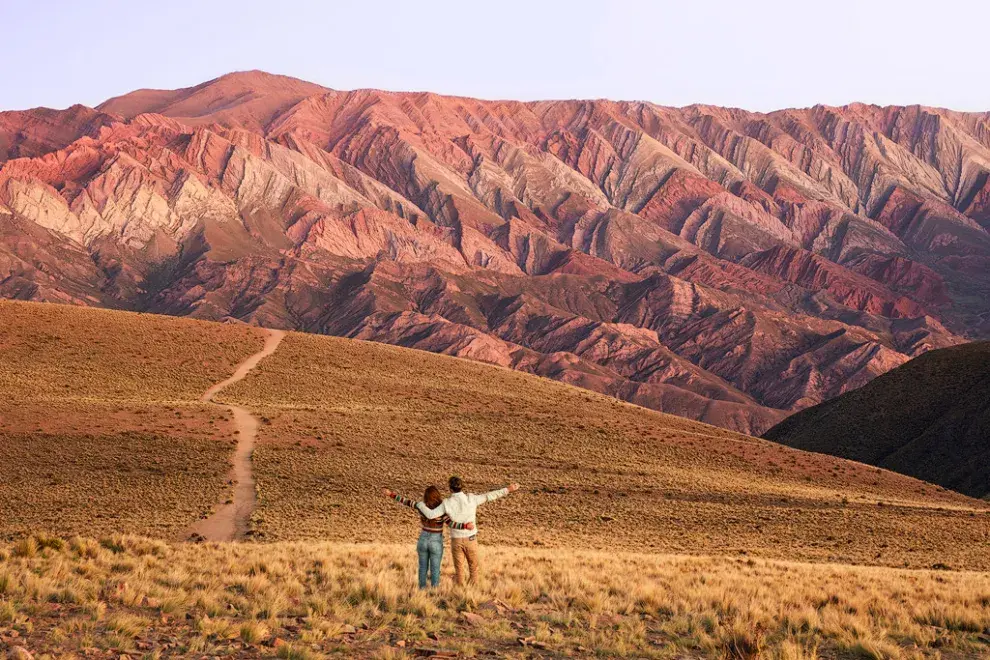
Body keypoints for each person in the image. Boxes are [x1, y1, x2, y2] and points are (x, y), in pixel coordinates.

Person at [416, 476, 520, 586]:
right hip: (471, 539)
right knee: (473, 567)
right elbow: (489, 496)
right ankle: (472, 592)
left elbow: (431, 515)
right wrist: (508, 489)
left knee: (459, 569)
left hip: (456, 540)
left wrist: (419, 505)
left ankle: (460, 592)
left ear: (450, 489)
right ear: (462, 487)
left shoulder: (446, 503)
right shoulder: (471, 499)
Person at [383, 485, 474, 589]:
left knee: (422, 567)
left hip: (423, 539)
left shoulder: (421, 506)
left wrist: (391, 494)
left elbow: (406, 501)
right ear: (437, 496)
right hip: (436, 541)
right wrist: (465, 526)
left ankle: (422, 590)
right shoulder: (442, 510)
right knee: (435, 568)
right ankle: (434, 591)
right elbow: (451, 524)